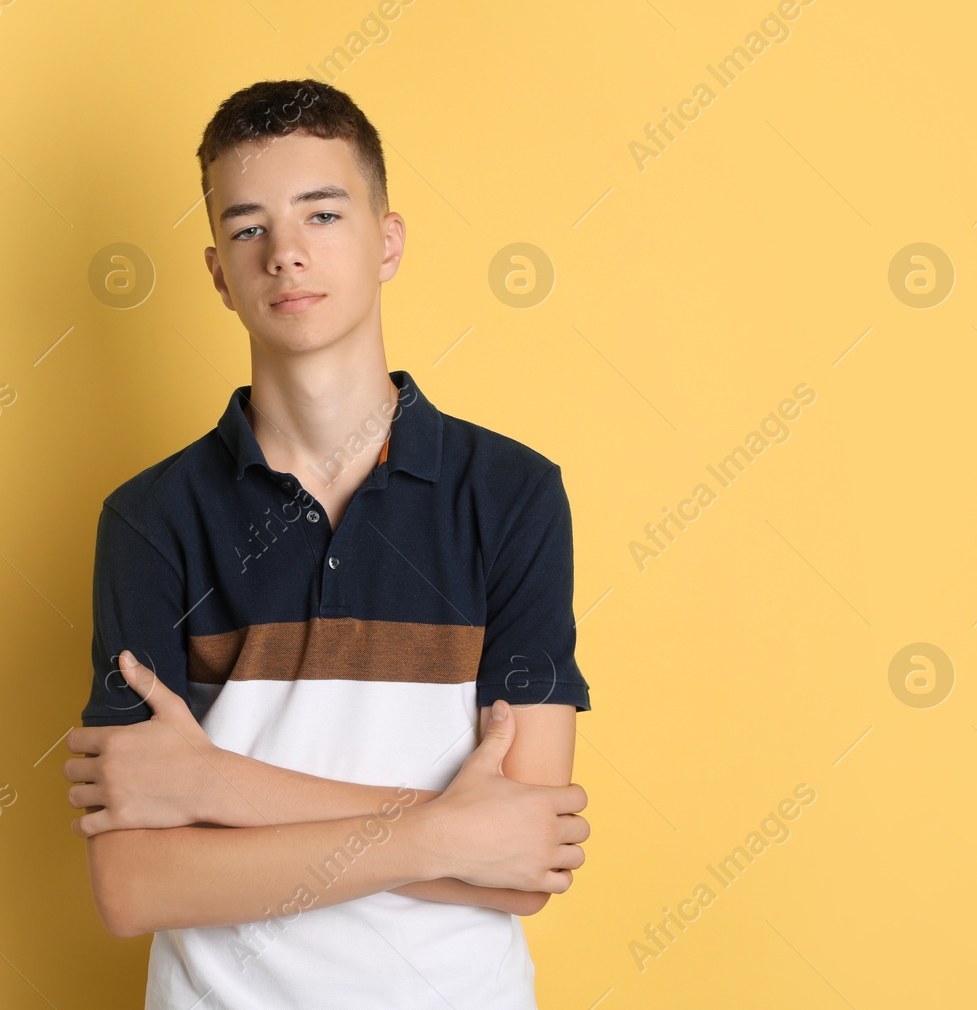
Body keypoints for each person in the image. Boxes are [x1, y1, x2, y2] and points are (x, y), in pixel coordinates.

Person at [64, 78, 591, 1009]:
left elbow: (524, 860)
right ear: (219, 272)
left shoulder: (511, 495)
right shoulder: (149, 518)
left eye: (322, 213)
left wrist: (213, 783)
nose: (287, 254)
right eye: (249, 227)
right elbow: (134, 886)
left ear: (387, 241)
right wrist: (443, 834)